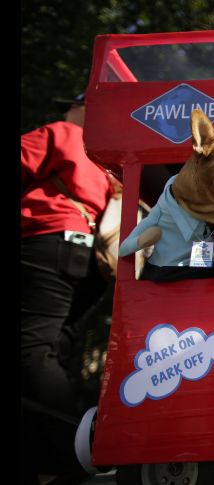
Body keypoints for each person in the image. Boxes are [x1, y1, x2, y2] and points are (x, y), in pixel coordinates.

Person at [21, 93, 113, 484]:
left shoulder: (63, 134)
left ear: (86, 109)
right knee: (48, 349)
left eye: (71, 106)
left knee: (31, 350)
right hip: (85, 258)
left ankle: (73, 451)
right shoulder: (108, 161)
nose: (65, 113)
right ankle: (44, 457)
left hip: (44, 242)